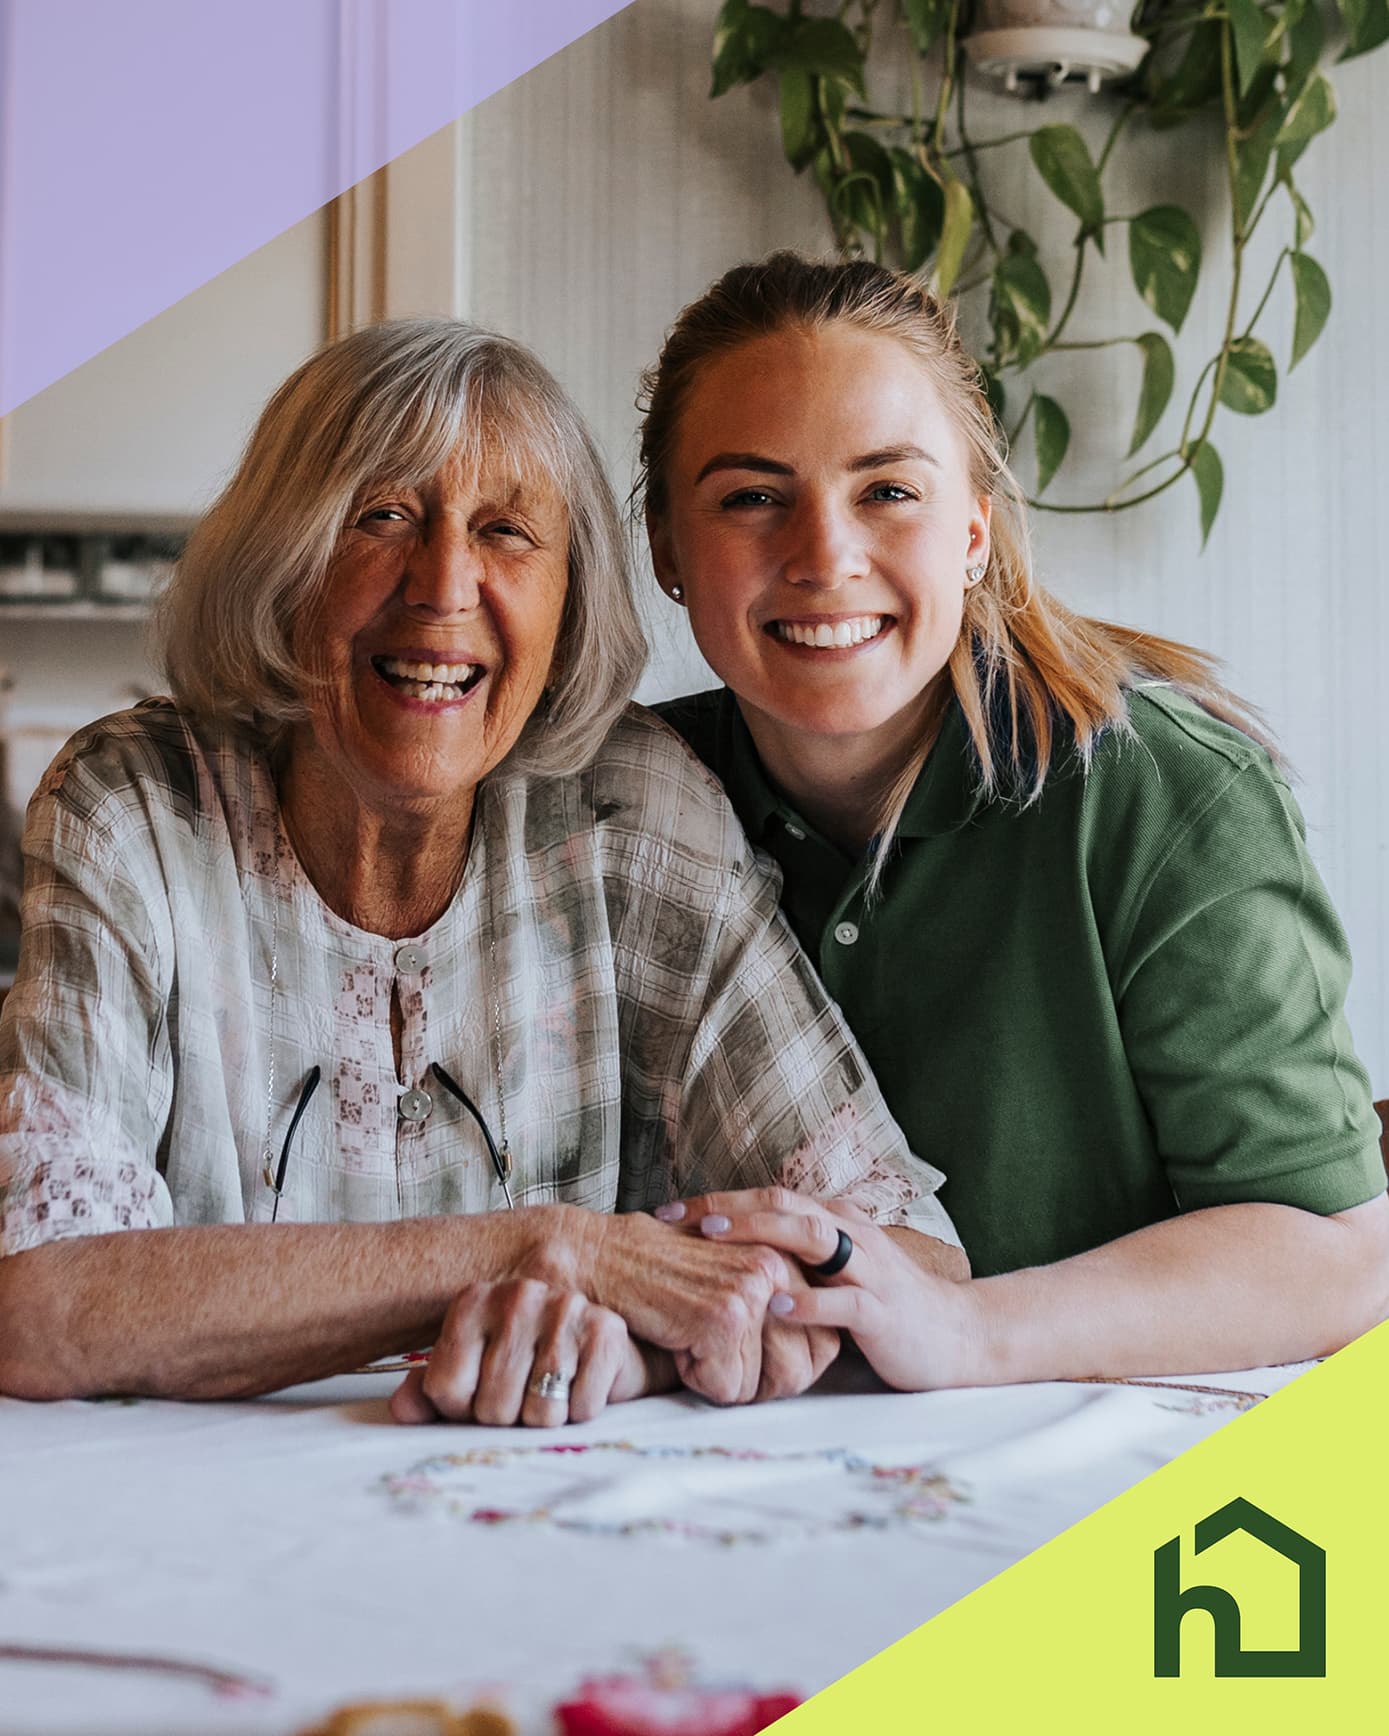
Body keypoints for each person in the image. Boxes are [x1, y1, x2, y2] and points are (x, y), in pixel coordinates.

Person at [0, 317, 963, 1422]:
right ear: (285, 558)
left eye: (506, 531)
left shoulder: (629, 819)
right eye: (383, 516)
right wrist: (543, 1246)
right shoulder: (134, 805)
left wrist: (648, 1341)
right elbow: (41, 1301)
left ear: (568, 602)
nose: (444, 583)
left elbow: (911, 1265)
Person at [643, 252, 1389, 1386]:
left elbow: (1338, 1253)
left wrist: (968, 1331)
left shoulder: (1167, 793)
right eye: (752, 497)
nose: (825, 557)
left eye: (888, 490)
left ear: (976, 531)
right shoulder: (631, 802)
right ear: (665, 551)